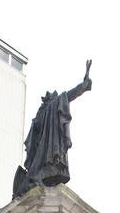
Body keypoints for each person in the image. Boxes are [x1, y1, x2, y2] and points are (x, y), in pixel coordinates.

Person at [12, 60, 92, 197]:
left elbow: (69, 95)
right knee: (41, 168)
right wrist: (83, 86)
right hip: (44, 150)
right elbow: (68, 96)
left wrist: (84, 85)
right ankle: (34, 180)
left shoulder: (47, 109)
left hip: (45, 150)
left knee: (42, 168)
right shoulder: (47, 110)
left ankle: (35, 179)